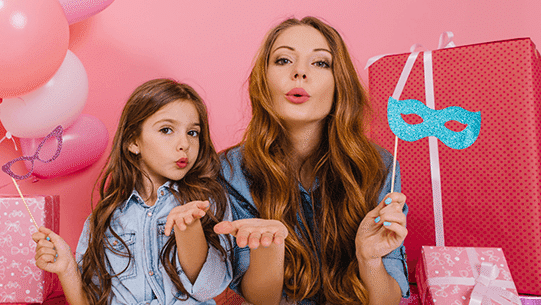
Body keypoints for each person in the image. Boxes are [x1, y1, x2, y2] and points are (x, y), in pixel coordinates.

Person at [213, 17, 409, 305]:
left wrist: (370, 260)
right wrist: (270, 248)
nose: (300, 73)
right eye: (283, 60)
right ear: (263, 80)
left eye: (320, 63)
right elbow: (261, 300)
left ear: (339, 82)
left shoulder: (379, 166)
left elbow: (387, 301)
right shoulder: (232, 170)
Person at [32, 78, 233, 305]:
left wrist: (189, 232)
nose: (184, 144)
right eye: (167, 130)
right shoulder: (105, 218)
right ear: (133, 142)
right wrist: (66, 267)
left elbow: (210, 288)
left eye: (193, 133)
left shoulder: (206, 202)